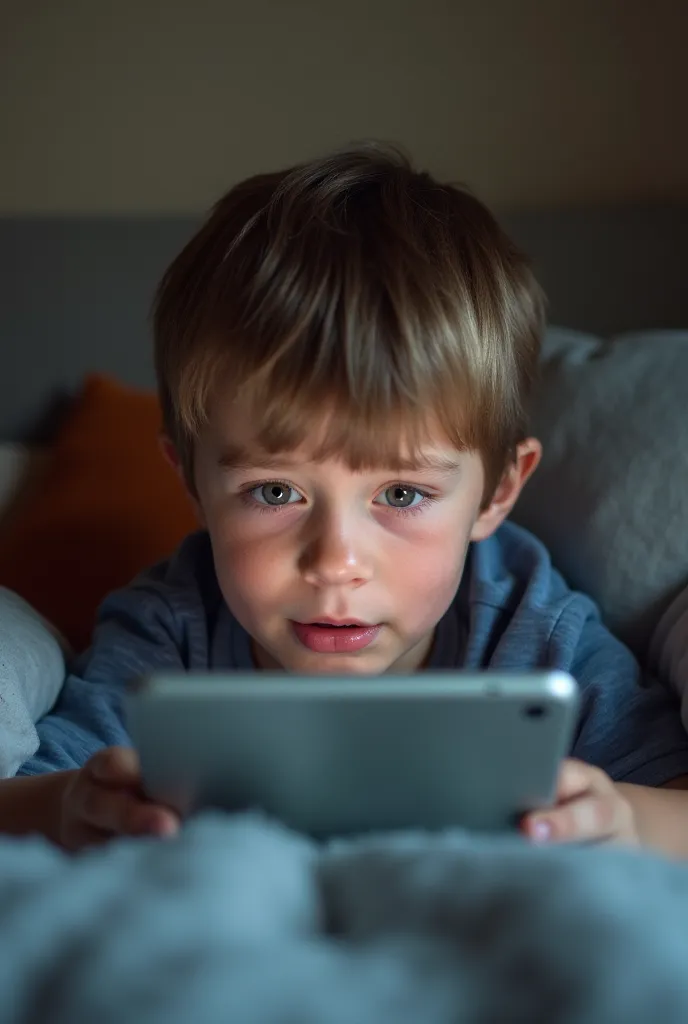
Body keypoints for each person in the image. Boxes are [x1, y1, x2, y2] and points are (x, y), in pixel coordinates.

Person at [3, 143, 688, 854]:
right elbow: (36, 798)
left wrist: (627, 820)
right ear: (192, 484)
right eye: (275, 491)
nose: (336, 562)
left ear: (497, 493)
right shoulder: (172, 631)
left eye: (400, 492)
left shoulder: (536, 632)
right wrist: (62, 807)